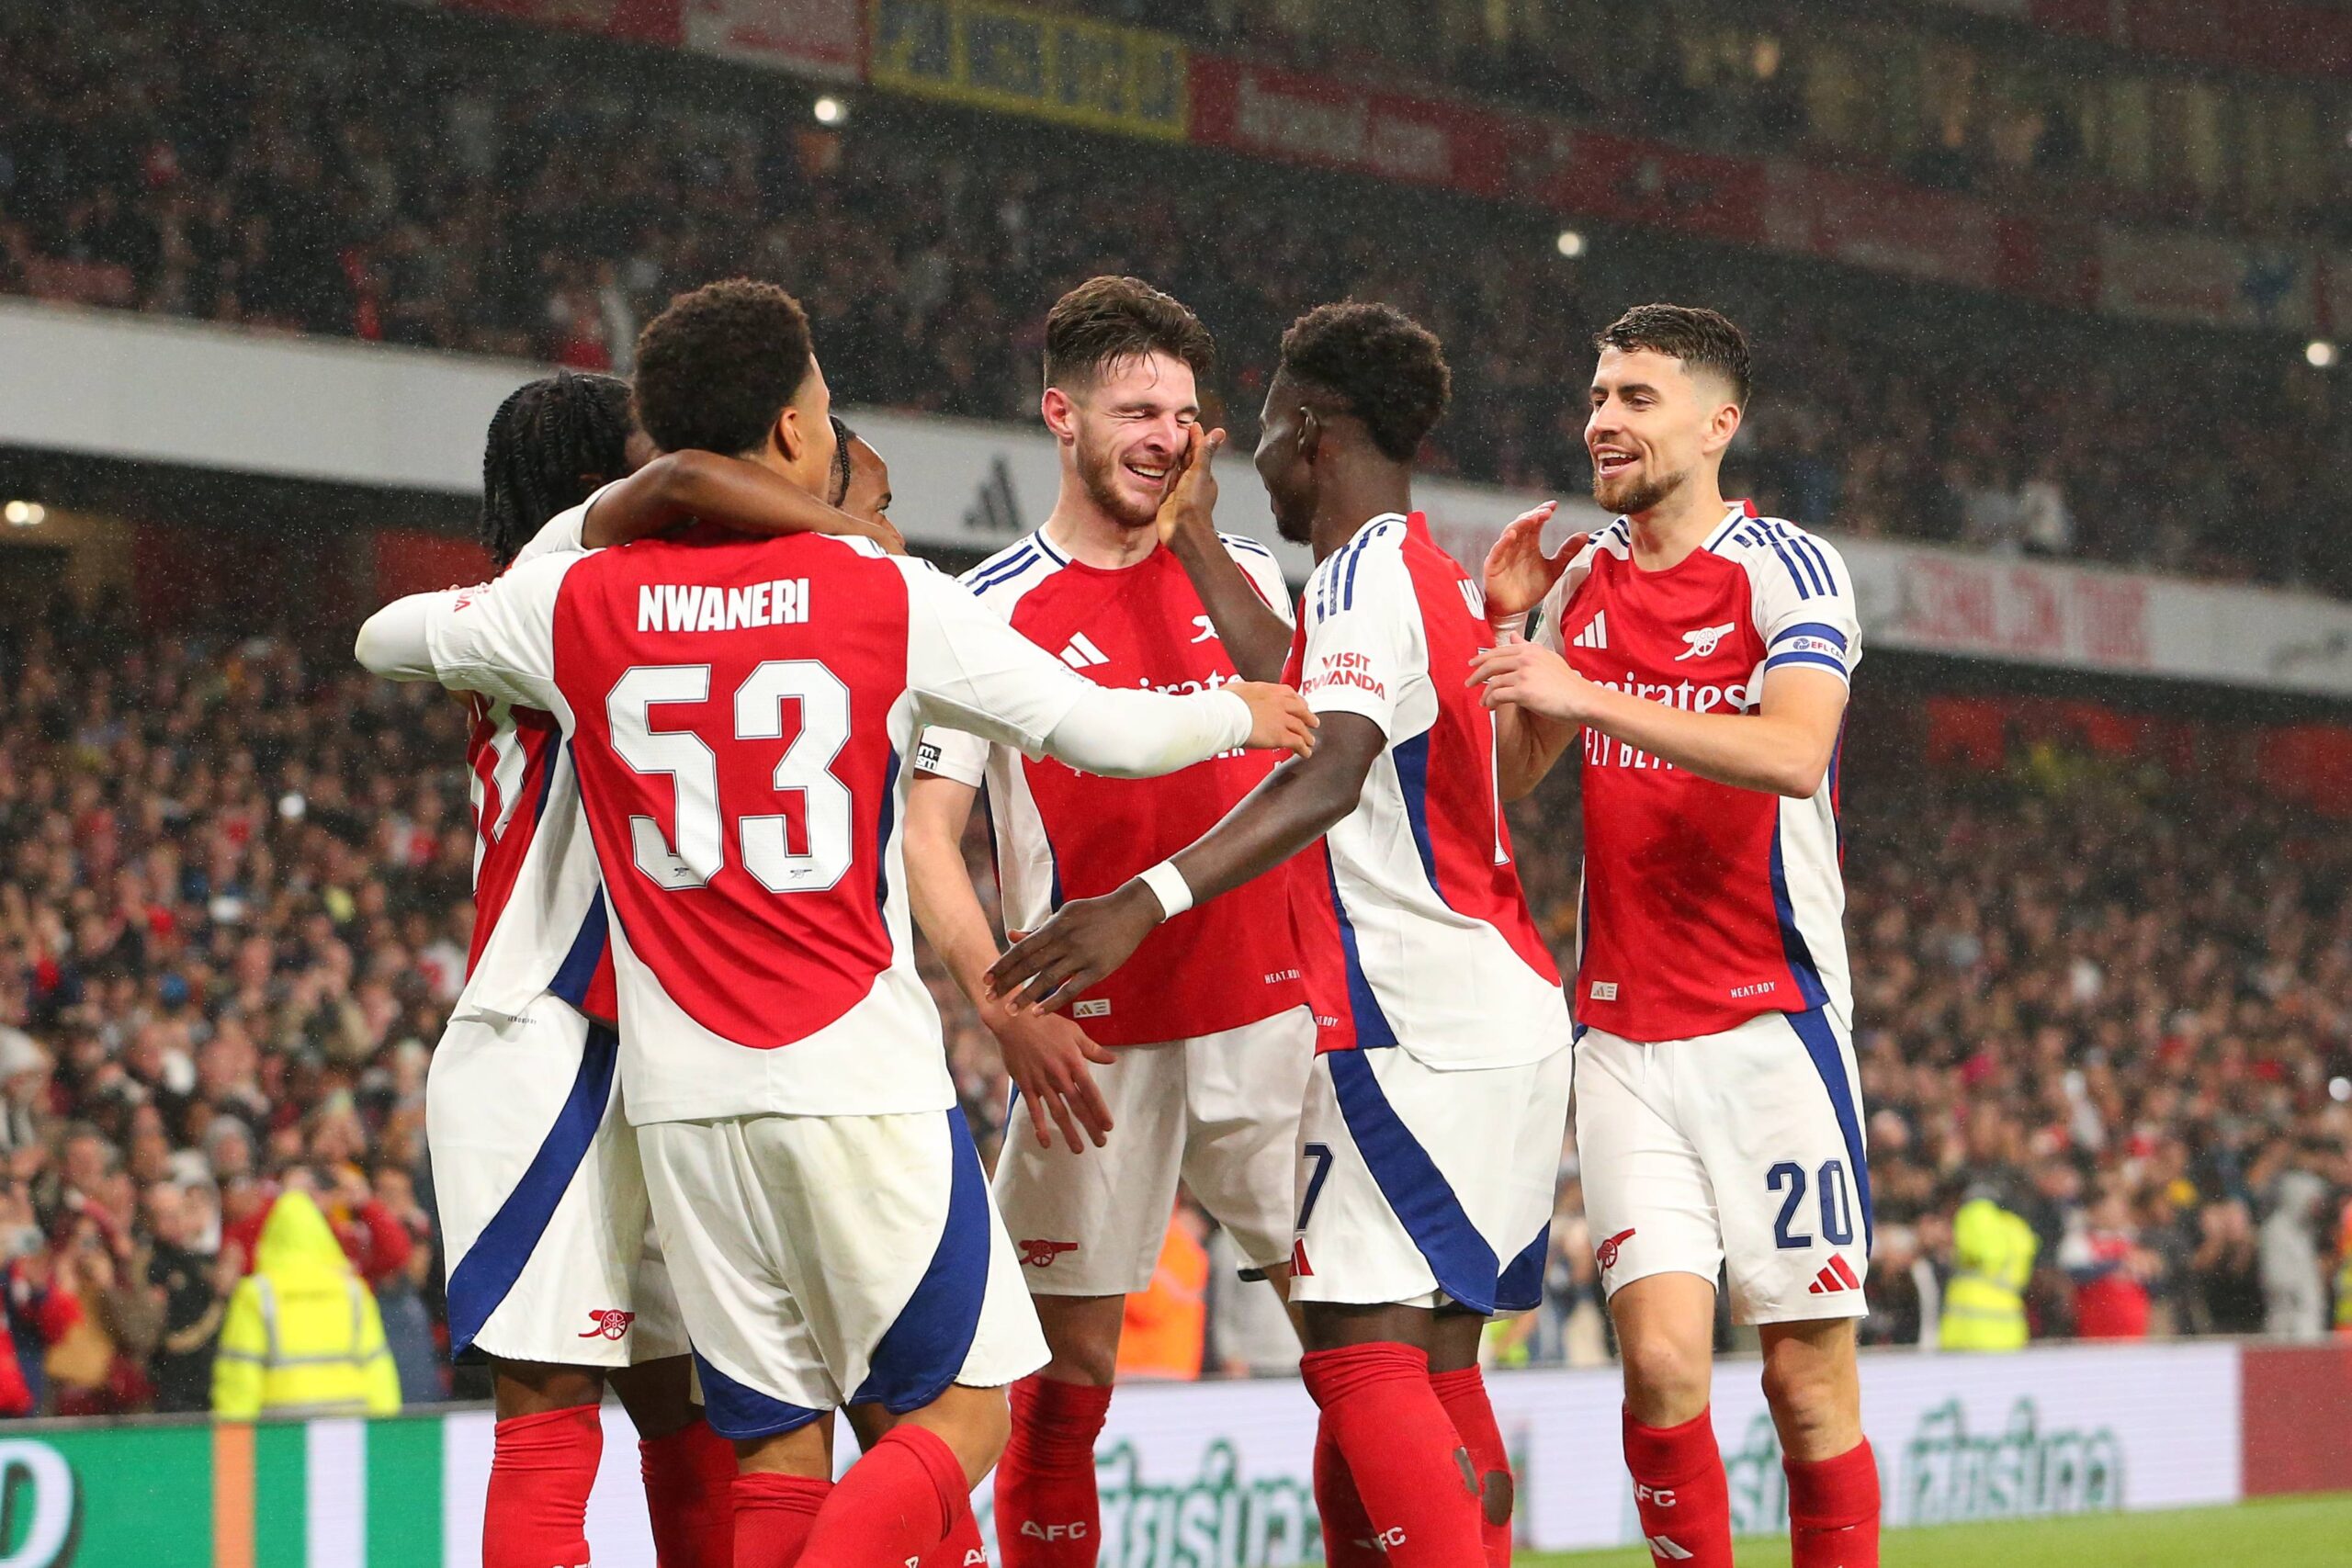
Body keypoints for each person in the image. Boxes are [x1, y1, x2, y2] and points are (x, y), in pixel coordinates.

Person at [356, 277, 1317, 1568]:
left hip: (679, 1083)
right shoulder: (885, 590)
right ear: (795, 435)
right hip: (842, 1066)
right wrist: (1240, 712)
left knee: (765, 1442)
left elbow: (386, 632)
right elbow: (1105, 730)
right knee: (962, 1410)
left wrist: (620, 513)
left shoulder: (575, 605)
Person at [990, 301, 1571, 1568]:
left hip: (1412, 1022)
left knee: (1359, 1351)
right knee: (1427, 1359)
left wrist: (1141, 898)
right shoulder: (1417, 566)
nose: (1233, 450)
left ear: (1309, 430)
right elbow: (1309, 692)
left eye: (1252, 428)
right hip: (1505, 1012)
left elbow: (1325, 766)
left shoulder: (1362, 570)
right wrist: (1198, 541)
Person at [432, 367, 898, 1568]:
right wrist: (847, 513)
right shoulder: (560, 597)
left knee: (690, 1406)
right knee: (546, 1412)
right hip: (542, 1038)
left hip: (659, 1042)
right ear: (610, 485)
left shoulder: (575, 603)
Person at [901, 276, 1312, 1567]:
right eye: (1138, 407)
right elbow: (924, 837)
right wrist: (1000, 999)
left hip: (1271, 1019)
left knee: (1368, 1341)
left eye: (1187, 413)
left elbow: (1325, 754)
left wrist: (1195, 538)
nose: (1167, 435)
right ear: (1060, 415)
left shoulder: (1246, 573)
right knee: (1067, 1373)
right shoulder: (986, 607)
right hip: (1093, 1044)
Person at [1470, 303, 1880, 1567]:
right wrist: (1510, 632)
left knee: (1807, 1383)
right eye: (1598, 393)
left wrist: (1590, 689)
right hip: (1625, 1036)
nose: (1603, 418)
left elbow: (1796, 752)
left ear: (1719, 422)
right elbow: (1515, 777)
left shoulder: (1787, 570)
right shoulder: (1583, 584)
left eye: (1637, 397)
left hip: (1771, 1026)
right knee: (1655, 1365)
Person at [211, 1190, 400, 1420]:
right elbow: (377, 1367)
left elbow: (240, 1374)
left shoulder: (257, 1294)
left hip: (280, 1434)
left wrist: (234, 1441)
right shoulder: (352, 1292)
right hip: (348, 1431)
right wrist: (386, 1429)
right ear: (322, 1234)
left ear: (272, 1234)